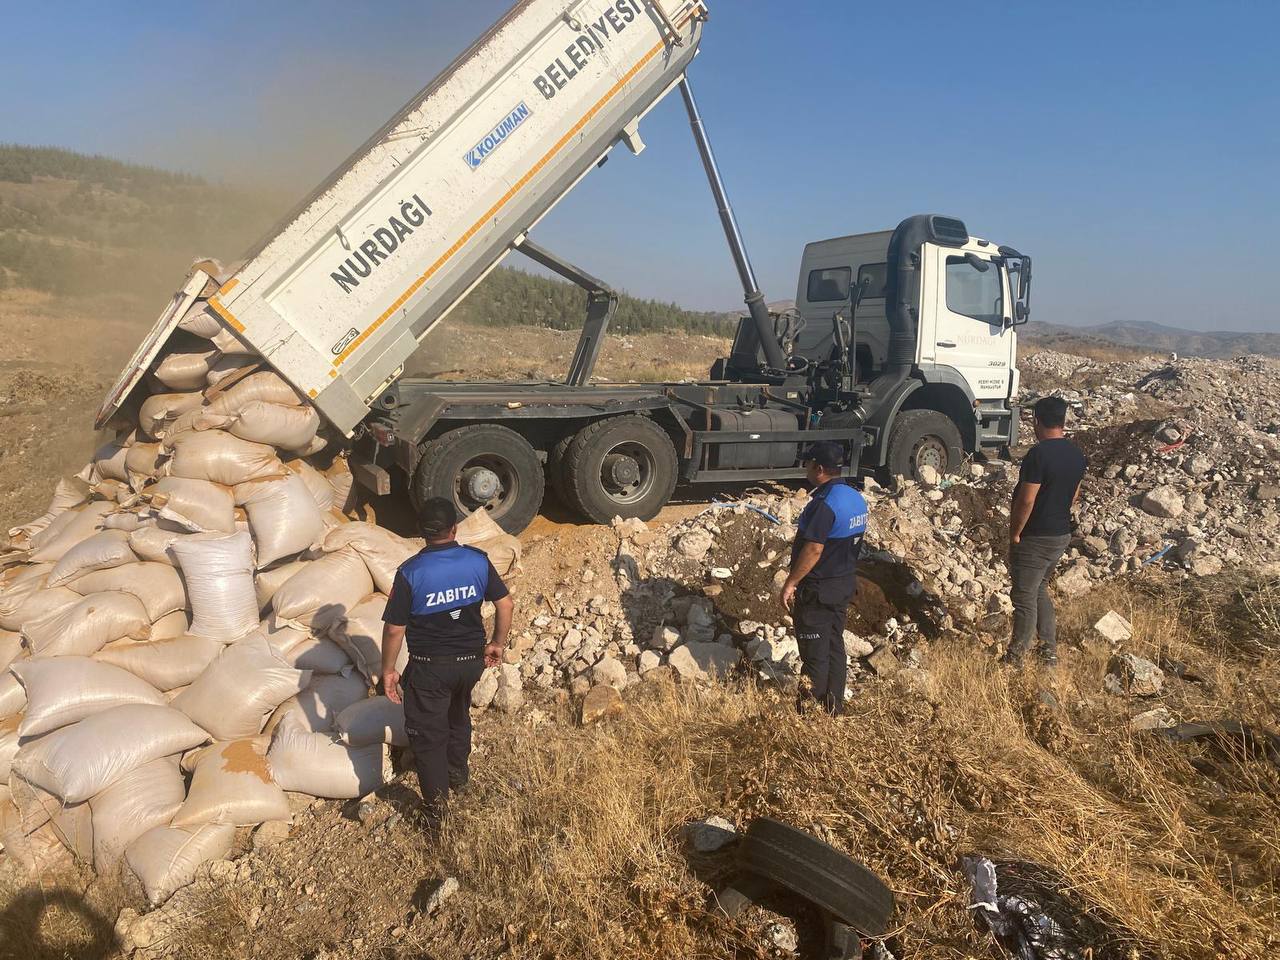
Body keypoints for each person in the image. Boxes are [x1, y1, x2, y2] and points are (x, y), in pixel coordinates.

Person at [381, 497, 514, 826]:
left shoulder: (410, 572)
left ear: (421, 533)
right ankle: (459, 780)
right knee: (457, 716)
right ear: (454, 529)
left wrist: (387, 670)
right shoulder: (477, 560)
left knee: (428, 736)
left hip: (430, 666)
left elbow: (395, 628)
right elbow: (506, 604)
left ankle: (437, 813)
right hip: (471, 662)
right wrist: (496, 643)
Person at [781, 441, 869, 714]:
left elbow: (815, 548)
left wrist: (791, 582)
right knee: (834, 647)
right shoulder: (855, 498)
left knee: (814, 655)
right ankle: (834, 707)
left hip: (818, 589)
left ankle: (808, 715)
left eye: (808, 464)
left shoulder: (824, 505)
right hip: (843, 584)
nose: (806, 468)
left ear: (819, 469)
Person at [1004, 396, 1087, 666]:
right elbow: (1075, 495)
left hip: (1035, 538)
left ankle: (1015, 659)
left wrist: (1015, 532)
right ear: (1063, 421)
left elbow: (1027, 499)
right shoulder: (1076, 455)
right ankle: (1048, 652)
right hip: (1060, 535)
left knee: (1024, 598)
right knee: (1040, 589)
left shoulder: (1038, 455)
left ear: (1037, 421)